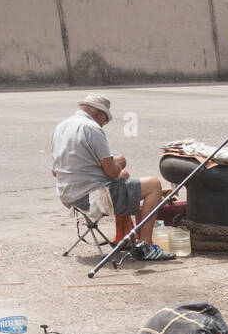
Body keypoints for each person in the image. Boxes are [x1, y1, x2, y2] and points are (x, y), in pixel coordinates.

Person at [50, 93, 174, 262]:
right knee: (153, 185)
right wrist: (120, 162)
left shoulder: (61, 127)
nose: (104, 124)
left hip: (68, 195)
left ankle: (125, 235)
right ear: (99, 114)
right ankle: (145, 246)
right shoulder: (92, 128)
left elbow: (55, 171)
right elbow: (111, 172)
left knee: (125, 178)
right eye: (105, 120)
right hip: (89, 197)